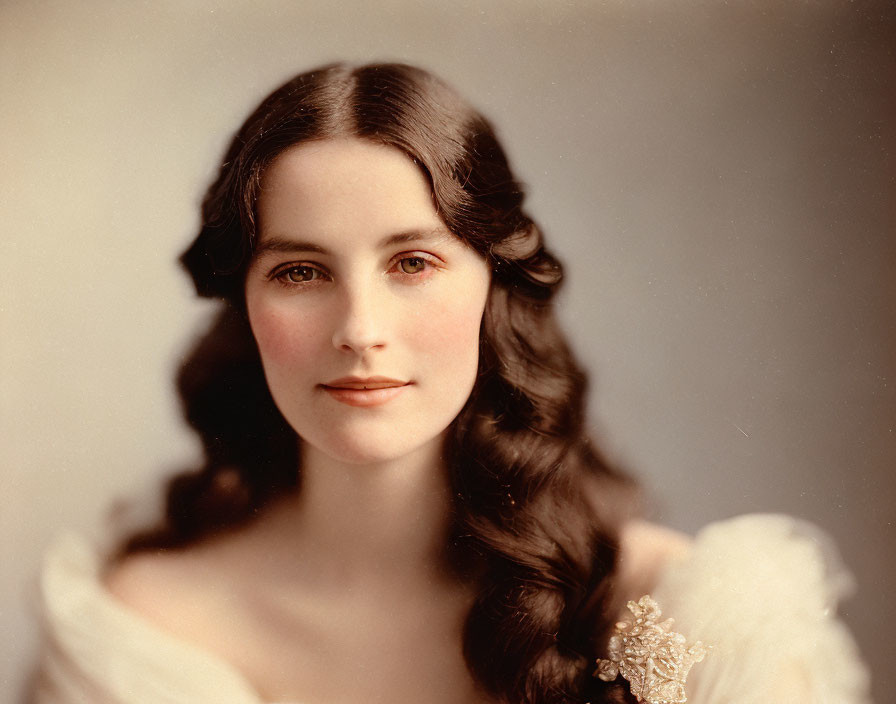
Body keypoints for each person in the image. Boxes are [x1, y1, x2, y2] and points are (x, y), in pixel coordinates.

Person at [34, 63, 871, 704]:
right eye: (300, 271)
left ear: (492, 285)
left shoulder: (671, 612)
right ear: (244, 302)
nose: (360, 329)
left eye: (413, 262)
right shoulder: (146, 627)